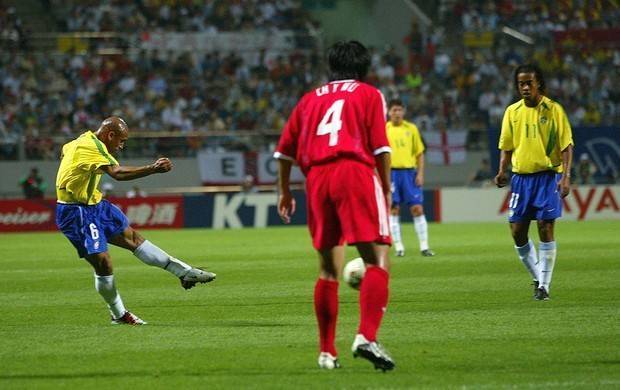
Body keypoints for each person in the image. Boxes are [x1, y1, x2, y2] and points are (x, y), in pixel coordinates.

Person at [275, 41, 395, 371]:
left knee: (328, 268)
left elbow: (283, 153)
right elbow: (382, 148)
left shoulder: (308, 99)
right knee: (379, 257)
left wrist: (284, 192)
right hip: (353, 171)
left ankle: (327, 352)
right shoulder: (369, 94)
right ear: (364, 68)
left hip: (316, 179)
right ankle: (366, 336)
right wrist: (385, 189)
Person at [55, 117, 216, 325]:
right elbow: (117, 174)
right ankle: (119, 314)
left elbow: (64, 150)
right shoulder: (90, 147)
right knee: (103, 262)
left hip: (95, 204)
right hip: (75, 212)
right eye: (121, 141)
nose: (121, 147)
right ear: (110, 135)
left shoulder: (80, 142)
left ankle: (184, 272)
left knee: (133, 238)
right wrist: (153, 168)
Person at [494, 64, 573, 301]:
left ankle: (544, 286)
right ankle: (538, 277)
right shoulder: (512, 112)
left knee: (545, 226)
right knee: (517, 231)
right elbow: (506, 146)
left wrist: (566, 176)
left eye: (530, 82)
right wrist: (501, 171)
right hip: (520, 179)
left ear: (538, 83)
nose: (526, 87)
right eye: (521, 83)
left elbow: (567, 145)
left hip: (547, 177)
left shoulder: (553, 110)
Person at [386, 99, 434, 257]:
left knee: (417, 208)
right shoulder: (384, 129)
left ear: (403, 112)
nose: (397, 113)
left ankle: (424, 247)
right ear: (388, 112)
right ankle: (399, 248)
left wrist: (420, 174)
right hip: (391, 173)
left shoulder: (411, 128)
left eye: (399, 110)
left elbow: (419, 153)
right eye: (394, 110)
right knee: (394, 210)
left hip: (409, 173)